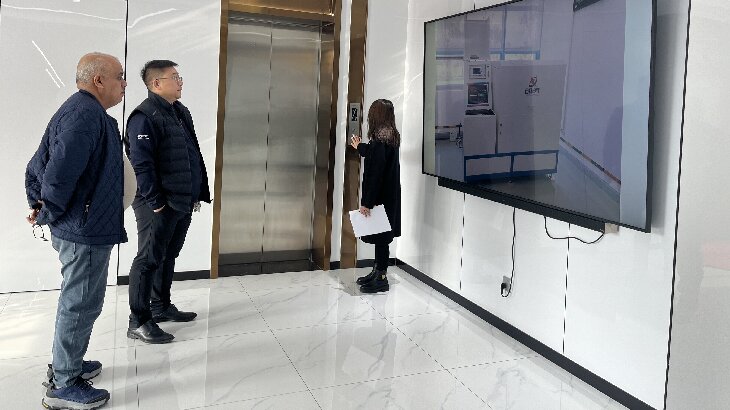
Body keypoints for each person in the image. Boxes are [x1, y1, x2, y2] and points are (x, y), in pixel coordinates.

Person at [25, 52, 127, 410]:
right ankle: (64, 383)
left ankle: (67, 363)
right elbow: (59, 172)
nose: (124, 83)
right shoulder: (85, 114)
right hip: (83, 229)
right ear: (98, 80)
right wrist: (46, 210)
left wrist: (42, 206)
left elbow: (39, 164)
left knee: (79, 301)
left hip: (83, 225)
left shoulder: (82, 111)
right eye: (119, 76)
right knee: (81, 304)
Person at [125, 60, 211, 343]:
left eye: (179, 76)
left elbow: (190, 154)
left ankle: (160, 306)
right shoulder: (143, 116)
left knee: (168, 254)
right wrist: (156, 202)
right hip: (158, 203)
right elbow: (141, 164)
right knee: (148, 259)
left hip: (181, 200)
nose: (180, 81)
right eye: (175, 77)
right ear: (156, 83)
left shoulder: (179, 111)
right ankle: (139, 320)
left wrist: (196, 192)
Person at [349, 99, 402, 293]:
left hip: (380, 197)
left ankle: (381, 278)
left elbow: (375, 174)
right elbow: (374, 155)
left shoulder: (380, 139)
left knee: (381, 237)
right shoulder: (390, 137)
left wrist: (367, 203)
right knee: (382, 238)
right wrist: (360, 147)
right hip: (389, 196)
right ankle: (377, 272)